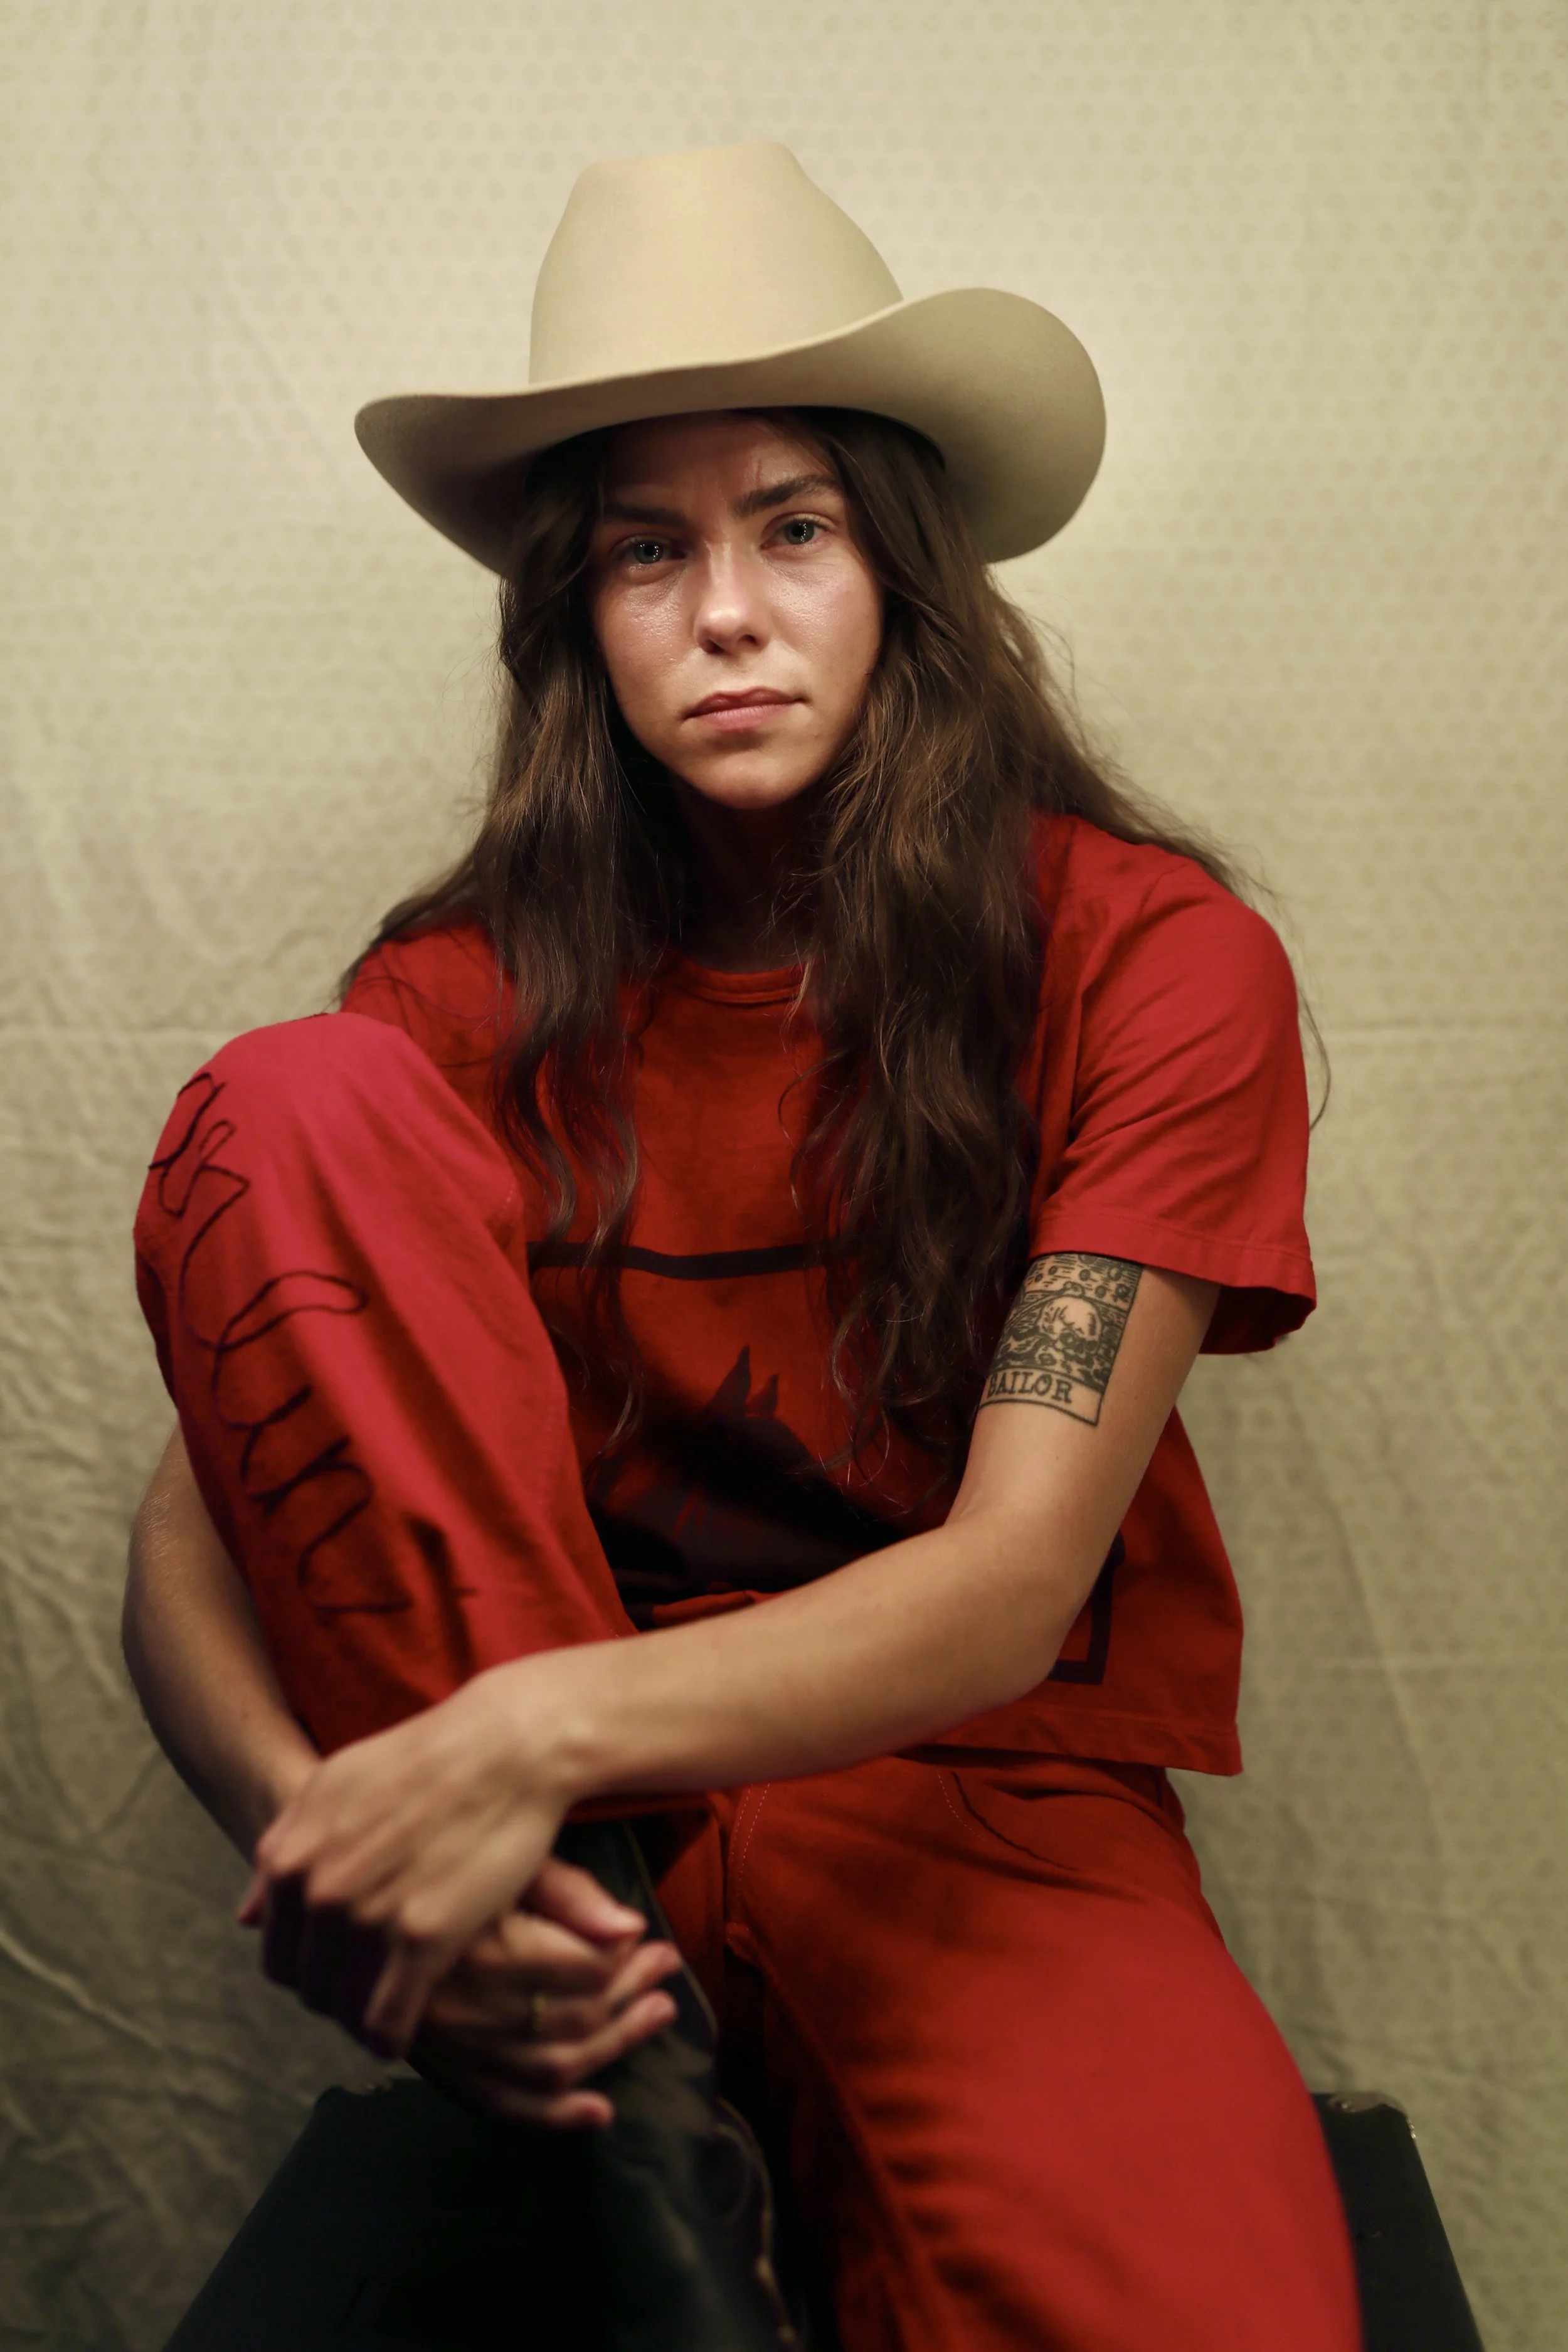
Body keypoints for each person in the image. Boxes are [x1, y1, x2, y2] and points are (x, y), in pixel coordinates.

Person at [123, 141, 1364, 2351]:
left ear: (901, 568)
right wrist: (352, 1843)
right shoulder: (450, 1000)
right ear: (574, 618)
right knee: (280, 1095)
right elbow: (205, 1531)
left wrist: (508, 1743)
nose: (721, 612)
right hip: (573, 1836)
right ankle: (632, 2104)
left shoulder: (1148, 958)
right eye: (644, 551)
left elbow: (1007, 1585)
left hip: (980, 1808)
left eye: (791, 529)